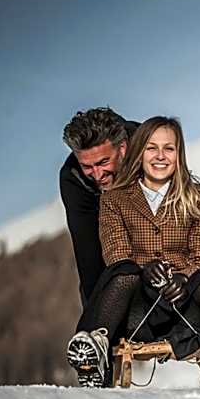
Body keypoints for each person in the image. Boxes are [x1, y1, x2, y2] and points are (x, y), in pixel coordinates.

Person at [65, 116, 200, 387]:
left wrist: (183, 277)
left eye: (169, 149)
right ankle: (96, 343)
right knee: (122, 273)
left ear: (179, 154)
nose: (160, 156)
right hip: (138, 310)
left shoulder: (198, 196)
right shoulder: (113, 199)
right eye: (151, 149)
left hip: (184, 306)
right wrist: (144, 273)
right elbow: (114, 254)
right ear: (139, 153)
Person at [61, 108, 138, 310]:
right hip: (113, 252)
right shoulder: (73, 178)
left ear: (122, 149)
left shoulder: (152, 146)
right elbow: (89, 257)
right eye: (87, 166)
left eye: (103, 162)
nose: (97, 174)